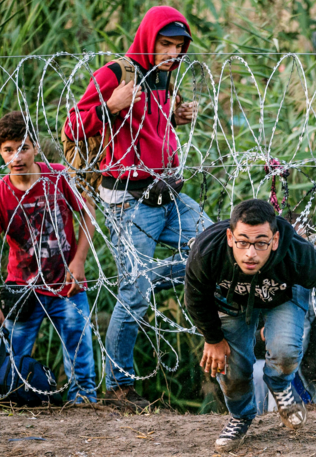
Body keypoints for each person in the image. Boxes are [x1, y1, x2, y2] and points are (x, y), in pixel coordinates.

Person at [64, 6, 212, 410]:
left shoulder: (165, 76)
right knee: (134, 295)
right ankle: (119, 388)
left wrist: (177, 117)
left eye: (179, 47)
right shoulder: (116, 73)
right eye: (165, 44)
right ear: (149, 39)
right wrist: (111, 105)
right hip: (129, 200)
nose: (171, 53)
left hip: (169, 193)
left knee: (216, 249)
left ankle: (146, 278)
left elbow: (151, 128)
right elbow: (72, 126)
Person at [184, 199, 316, 452]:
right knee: (232, 370)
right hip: (230, 301)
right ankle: (241, 416)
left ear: (274, 240)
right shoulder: (208, 251)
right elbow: (195, 295)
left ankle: (281, 386)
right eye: (242, 242)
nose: (251, 253)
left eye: (261, 243)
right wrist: (213, 338)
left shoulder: (295, 252)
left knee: (285, 352)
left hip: (283, 296)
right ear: (230, 237)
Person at [0, 111, 97, 403]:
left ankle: (83, 409)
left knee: (81, 361)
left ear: (35, 148)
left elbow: (88, 213)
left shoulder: (56, 175)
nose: (17, 156)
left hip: (65, 284)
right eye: (8, 150)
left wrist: (78, 261)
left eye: (23, 147)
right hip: (22, 288)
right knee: (9, 363)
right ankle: (15, 404)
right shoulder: (1, 194)